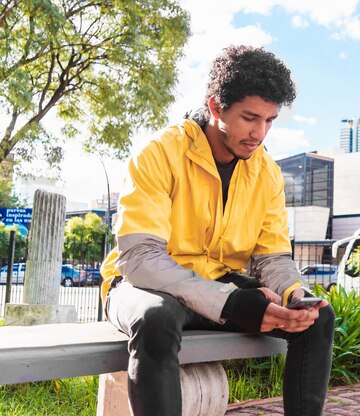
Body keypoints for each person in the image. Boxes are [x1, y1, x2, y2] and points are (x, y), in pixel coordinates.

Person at [100, 45, 335, 416]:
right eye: (249, 118)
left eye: (270, 120)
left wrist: (294, 293)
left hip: (218, 288)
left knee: (317, 317)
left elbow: (272, 256)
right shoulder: (160, 152)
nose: (260, 133)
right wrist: (228, 302)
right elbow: (140, 260)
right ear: (215, 107)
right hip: (143, 287)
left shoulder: (267, 171)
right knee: (155, 318)